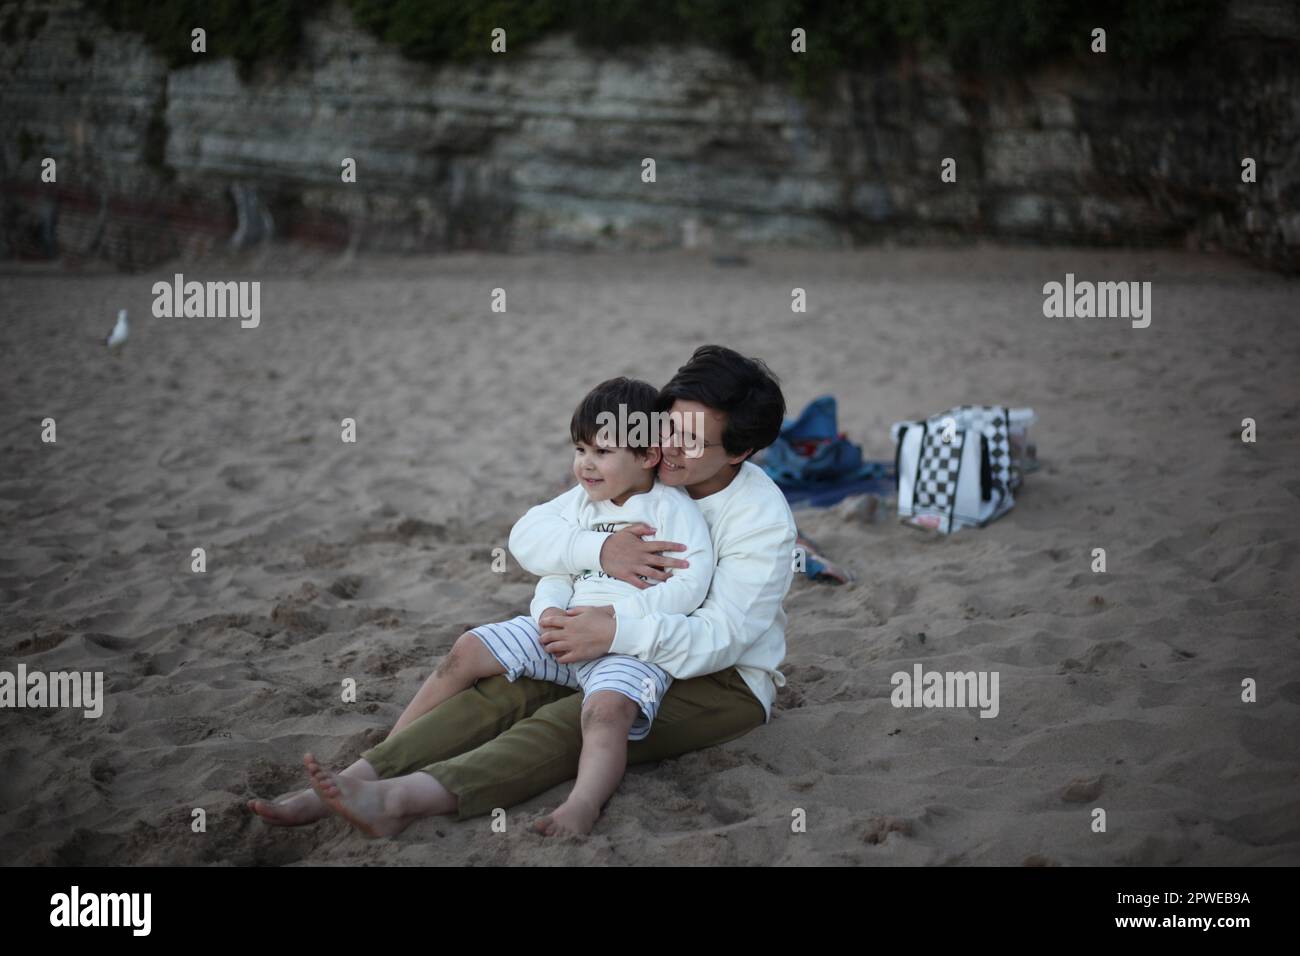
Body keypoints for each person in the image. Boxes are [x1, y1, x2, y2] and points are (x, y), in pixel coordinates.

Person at [248, 345, 797, 838]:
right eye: (670, 427)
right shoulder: (635, 475)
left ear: (739, 454)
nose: (671, 448)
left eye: (693, 442)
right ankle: (353, 780)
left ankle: (400, 800)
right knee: (500, 689)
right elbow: (543, 536)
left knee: (569, 723)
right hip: (601, 633)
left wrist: (614, 630)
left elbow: (722, 636)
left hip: (719, 679)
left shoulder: (760, 519)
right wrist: (590, 569)